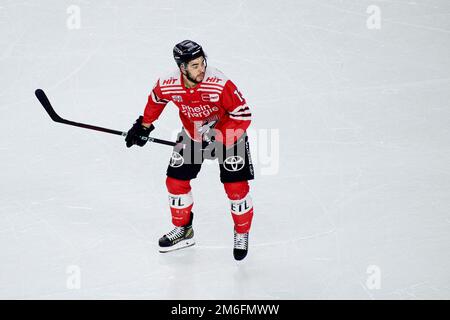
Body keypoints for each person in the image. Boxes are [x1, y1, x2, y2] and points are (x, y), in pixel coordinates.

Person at [125, 40, 254, 260]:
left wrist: (220, 139)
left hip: (230, 134)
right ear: (182, 68)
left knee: (236, 188)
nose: (201, 69)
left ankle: (241, 232)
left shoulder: (219, 83)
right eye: (194, 65)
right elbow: (157, 99)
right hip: (193, 133)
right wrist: (144, 125)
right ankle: (184, 231)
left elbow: (242, 116)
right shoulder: (168, 82)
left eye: (202, 63)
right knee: (175, 181)